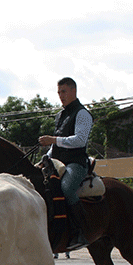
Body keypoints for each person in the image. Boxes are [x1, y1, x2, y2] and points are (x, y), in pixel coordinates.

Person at [39, 77, 93, 250]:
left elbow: (79, 140)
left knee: (67, 188)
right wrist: (44, 159)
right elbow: (56, 144)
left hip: (76, 163)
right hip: (57, 162)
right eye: (59, 92)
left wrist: (53, 139)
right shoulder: (60, 115)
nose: (61, 96)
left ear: (73, 91)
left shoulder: (83, 114)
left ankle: (80, 232)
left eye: (64, 92)